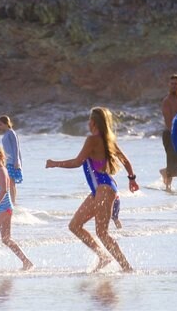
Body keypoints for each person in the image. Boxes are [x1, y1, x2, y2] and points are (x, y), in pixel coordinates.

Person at [46, 107, 138, 272]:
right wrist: (132, 179)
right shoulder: (108, 139)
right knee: (74, 225)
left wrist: (55, 164)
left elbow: (77, 162)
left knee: (102, 233)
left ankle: (127, 267)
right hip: (103, 188)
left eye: (89, 120)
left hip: (103, 189)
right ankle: (103, 257)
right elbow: (126, 161)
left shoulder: (92, 140)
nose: (88, 123)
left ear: (93, 122)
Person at [160, 74, 177, 192]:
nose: (174, 86)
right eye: (172, 84)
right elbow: (168, 121)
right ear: (169, 85)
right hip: (170, 134)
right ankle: (168, 187)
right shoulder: (166, 101)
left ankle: (165, 172)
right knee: (171, 160)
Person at [0, 115, 23, 205]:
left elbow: (16, 147)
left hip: (12, 162)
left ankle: (13, 202)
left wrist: (17, 161)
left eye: (0, 124)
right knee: (6, 182)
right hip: (7, 161)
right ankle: (9, 200)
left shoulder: (11, 133)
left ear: (6, 124)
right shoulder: (6, 134)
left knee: (11, 182)